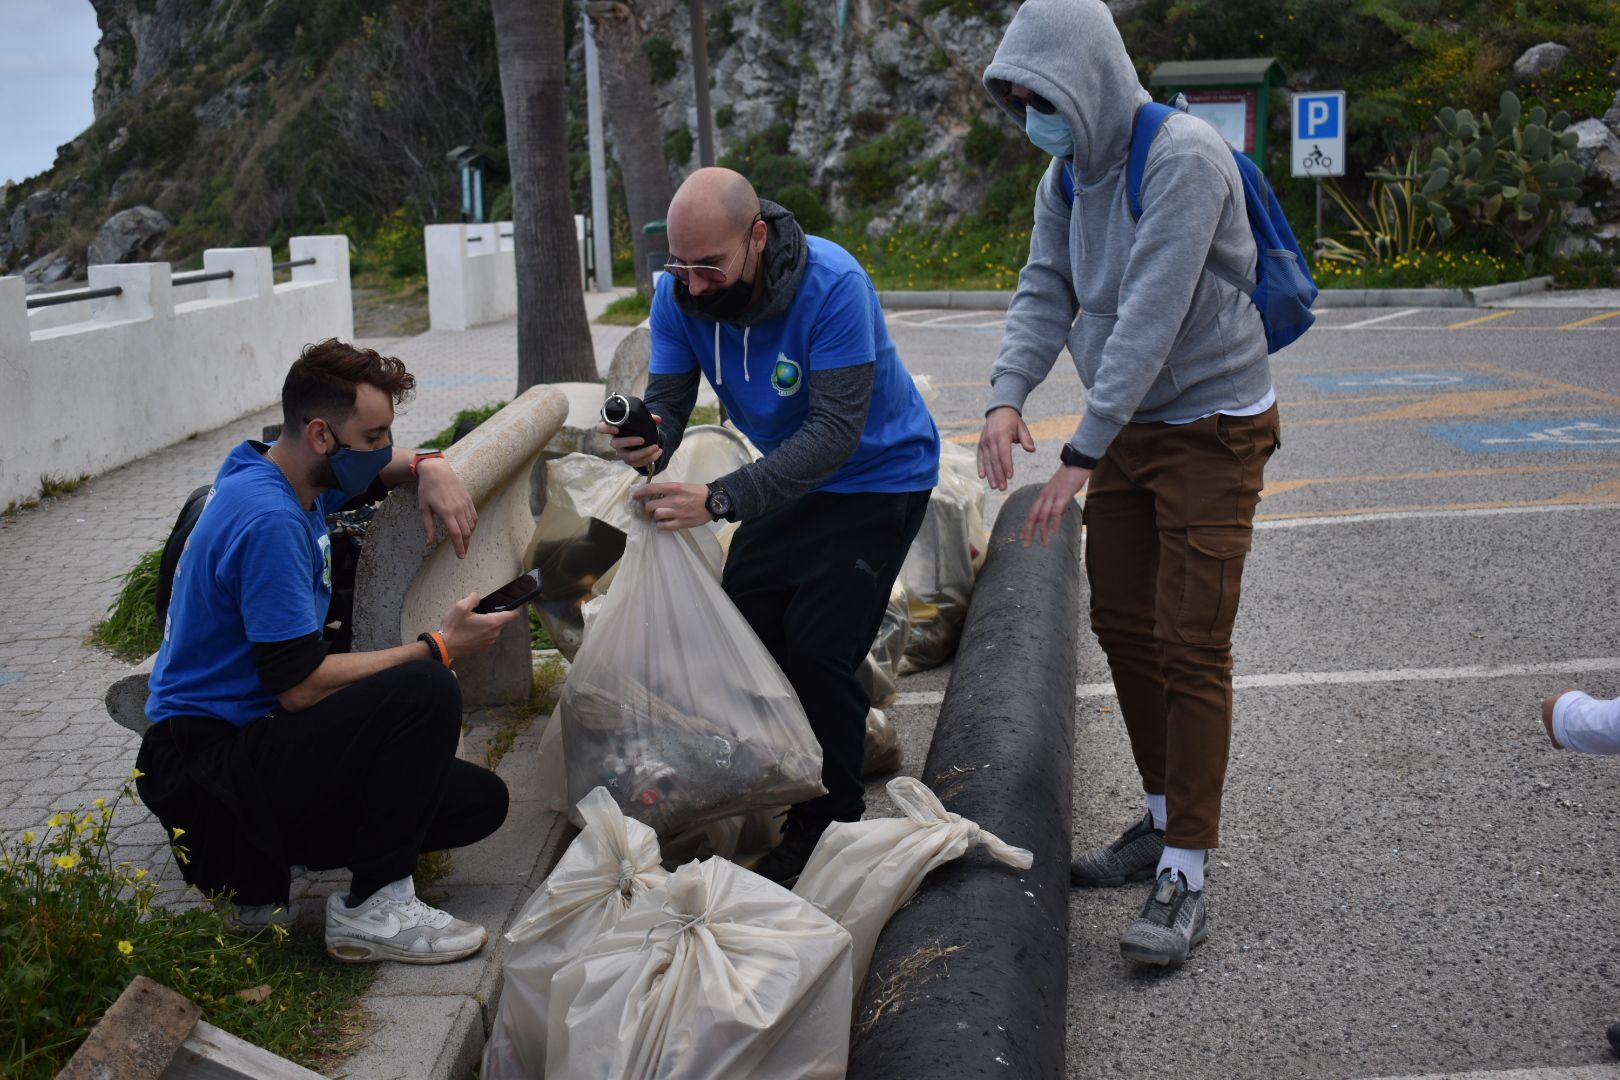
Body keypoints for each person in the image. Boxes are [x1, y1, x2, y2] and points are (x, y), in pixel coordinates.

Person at [979, 0, 1283, 968]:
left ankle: (1186, 871)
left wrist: (1079, 452)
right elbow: (1044, 287)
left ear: (1089, 80)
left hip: (1211, 424)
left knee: (1192, 642)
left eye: (1043, 95)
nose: (1033, 114)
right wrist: (1003, 396)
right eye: (1020, 99)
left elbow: (1151, 315)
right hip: (1132, 426)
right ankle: (1158, 815)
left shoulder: (1184, 158)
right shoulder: (1067, 175)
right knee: (1121, 623)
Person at [596, 167, 940, 884]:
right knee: (745, 625)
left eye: (708, 267)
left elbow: (836, 432)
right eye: (679, 267)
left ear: (757, 238)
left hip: (880, 476)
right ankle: (841, 734)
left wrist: (719, 499)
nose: (692, 286)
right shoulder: (678, 298)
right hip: (789, 476)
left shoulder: (835, 285)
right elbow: (668, 405)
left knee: (819, 646)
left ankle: (833, 821)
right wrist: (644, 438)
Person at [136, 339, 525, 964]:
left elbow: (384, 465)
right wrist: (440, 646)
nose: (379, 451)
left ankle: (263, 870)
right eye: (372, 437)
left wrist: (431, 464)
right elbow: (301, 685)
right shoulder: (270, 520)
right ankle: (371, 908)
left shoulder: (276, 471)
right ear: (321, 435)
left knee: (478, 803)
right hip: (208, 771)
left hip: (245, 745)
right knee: (424, 689)